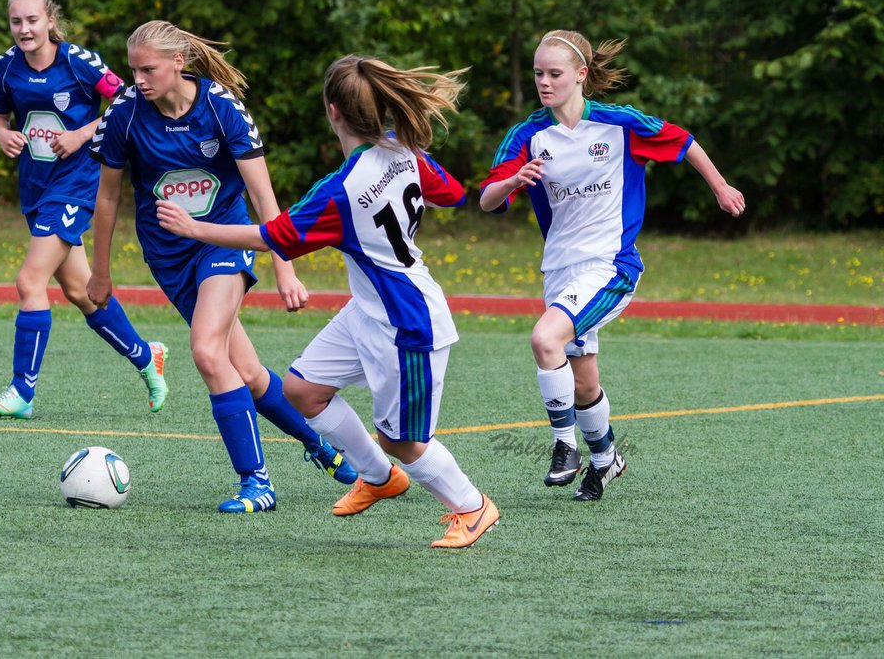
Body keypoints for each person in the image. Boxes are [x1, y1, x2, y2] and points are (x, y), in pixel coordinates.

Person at [157, 54, 500, 549]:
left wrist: (194, 228)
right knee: (303, 390)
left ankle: (471, 506)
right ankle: (379, 479)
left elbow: (275, 236)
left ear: (333, 111)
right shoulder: (404, 151)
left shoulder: (340, 190)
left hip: (407, 323)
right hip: (369, 309)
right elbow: (450, 194)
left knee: (401, 440)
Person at [87, 20, 358, 514]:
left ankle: (256, 483)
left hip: (224, 244)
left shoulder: (221, 108)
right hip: (167, 257)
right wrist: (100, 271)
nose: (138, 79)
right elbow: (107, 197)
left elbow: (262, 195)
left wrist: (285, 268)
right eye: (133, 70)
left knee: (208, 352)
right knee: (249, 373)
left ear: (178, 63)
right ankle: (321, 446)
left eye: (148, 69)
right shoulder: (124, 113)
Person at [479, 29, 746, 500]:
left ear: (581, 75)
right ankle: (606, 461)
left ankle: (565, 447)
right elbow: (486, 199)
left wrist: (721, 187)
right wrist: (513, 181)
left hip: (611, 266)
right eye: (538, 73)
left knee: (545, 339)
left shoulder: (619, 124)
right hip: (559, 270)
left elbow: (683, 141)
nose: (544, 82)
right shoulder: (527, 135)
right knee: (583, 383)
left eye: (554, 73)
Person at [0, 0, 169, 420]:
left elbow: (127, 98)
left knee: (30, 282)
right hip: (36, 186)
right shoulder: (7, 67)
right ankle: (146, 356)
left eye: (31, 20)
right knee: (82, 292)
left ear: (50, 21)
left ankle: (21, 392)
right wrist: (1, 134)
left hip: (78, 183)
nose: (24, 29)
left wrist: (83, 135)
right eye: (15, 21)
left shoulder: (79, 62)